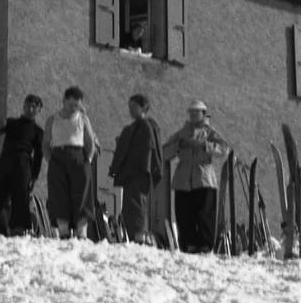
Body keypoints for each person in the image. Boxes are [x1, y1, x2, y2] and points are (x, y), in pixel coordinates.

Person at [161, 100, 228, 253]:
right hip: (183, 178)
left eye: (196, 112)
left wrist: (205, 146)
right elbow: (164, 152)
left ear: (203, 114)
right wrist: (178, 146)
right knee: (184, 213)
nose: (192, 115)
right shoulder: (181, 133)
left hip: (204, 177)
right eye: (190, 112)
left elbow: (224, 149)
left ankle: (205, 244)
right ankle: (188, 244)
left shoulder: (210, 132)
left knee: (205, 213)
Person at [0, 94, 45, 236]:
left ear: (38, 111)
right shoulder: (12, 122)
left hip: (23, 164)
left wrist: (34, 176)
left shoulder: (38, 132)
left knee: (21, 195)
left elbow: (39, 156)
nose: (30, 109)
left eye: (34, 107)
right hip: (5, 160)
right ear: (23, 106)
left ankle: (18, 229)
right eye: (28, 105)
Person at [108, 93, 163, 244]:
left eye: (133, 107)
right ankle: (135, 235)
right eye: (129, 107)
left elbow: (145, 149)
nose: (130, 110)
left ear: (143, 107)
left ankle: (138, 236)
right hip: (133, 173)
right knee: (131, 205)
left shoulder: (145, 125)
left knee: (136, 205)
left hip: (137, 172)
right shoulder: (137, 127)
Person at [43, 86, 98, 239]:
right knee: (59, 194)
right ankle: (64, 230)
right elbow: (46, 142)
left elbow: (89, 141)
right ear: (64, 101)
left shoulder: (82, 118)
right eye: (71, 104)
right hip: (58, 158)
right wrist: (50, 159)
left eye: (77, 105)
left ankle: (81, 231)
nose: (74, 108)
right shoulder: (52, 119)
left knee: (81, 194)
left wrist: (88, 159)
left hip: (79, 158)